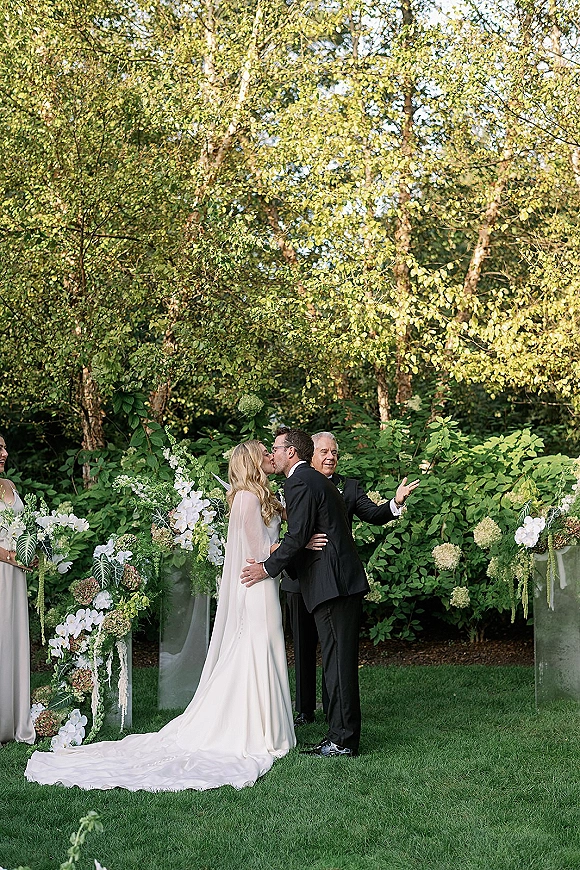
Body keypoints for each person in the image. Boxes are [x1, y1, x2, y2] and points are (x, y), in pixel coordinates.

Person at [25, 440, 296, 791]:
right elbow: (258, 550)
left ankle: (269, 726)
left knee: (265, 651)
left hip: (265, 585)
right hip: (256, 587)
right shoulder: (245, 497)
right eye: (264, 452)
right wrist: (295, 545)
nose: (269, 455)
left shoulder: (261, 495)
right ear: (251, 460)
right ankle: (257, 729)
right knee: (257, 652)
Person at [241, 429, 369, 758]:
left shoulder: (299, 481)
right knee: (337, 663)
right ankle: (340, 734)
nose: (273, 454)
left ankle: (341, 740)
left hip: (333, 585)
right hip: (339, 583)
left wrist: (266, 568)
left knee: (338, 665)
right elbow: (306, 530)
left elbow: (297, 538)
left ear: (291, 452)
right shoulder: (313, 480)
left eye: (276, 449)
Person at [282, 431, 420, 726]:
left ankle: (336, 714)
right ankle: (305, 710)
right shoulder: (297, 483)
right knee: (304, 646)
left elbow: (373, 513)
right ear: (310, 455)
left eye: (335, 452)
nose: (330, 456)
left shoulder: (348, 487)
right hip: (300, 577)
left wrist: (395, 503)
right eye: (324, 452)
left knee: (334, 651)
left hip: (332, 577)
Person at [0, 434, 36, 746]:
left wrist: (31, 551)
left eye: (4, 446)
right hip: (1, 569)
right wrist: (10, 556)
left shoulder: (10, 485)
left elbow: (22, 529)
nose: (5, 452)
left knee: (13, 639)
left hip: (16, 575)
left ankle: (14, 721)